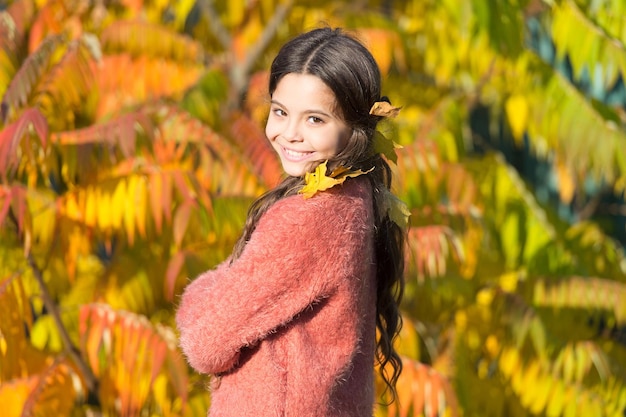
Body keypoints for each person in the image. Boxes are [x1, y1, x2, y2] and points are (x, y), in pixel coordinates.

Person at [175, 27, 407, 417]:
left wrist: (200, 295)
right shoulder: (357, 192)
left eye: (315, 119)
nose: (290, 134)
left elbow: (204, 342)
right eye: (280, 111)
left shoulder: (308, 218)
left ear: (355, 129)